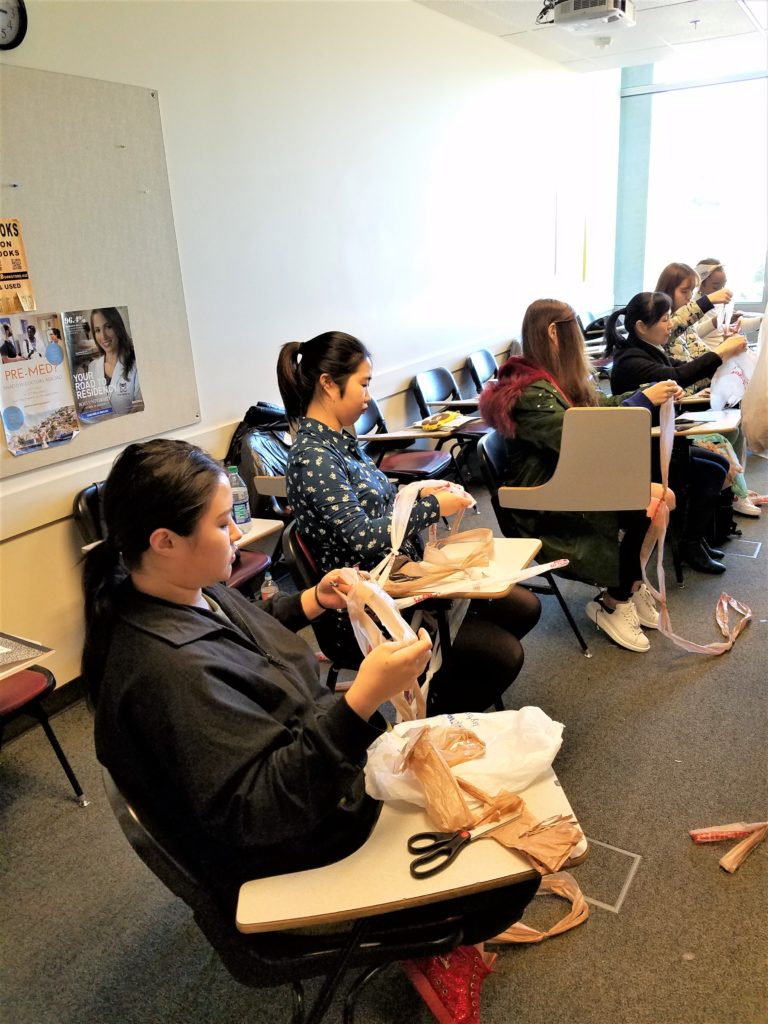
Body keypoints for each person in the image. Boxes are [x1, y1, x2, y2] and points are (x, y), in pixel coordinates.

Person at [82, 439, 536, 994]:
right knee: (510, 874)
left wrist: (314, 600)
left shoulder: (181, 592)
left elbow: (246, 632)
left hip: (311, 773)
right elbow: (261, 807)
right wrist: (361, 700)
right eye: (224, 523)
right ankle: (427, 936)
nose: (237, 536)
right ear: (165, 541)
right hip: (296, 833)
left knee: (485, 781)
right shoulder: (167, 673)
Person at [277, 331, 542, 711]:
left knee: (523, 608)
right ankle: (436, 708)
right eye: (363, 384)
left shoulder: (339, 442)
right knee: (503, 654)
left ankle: (454, 685)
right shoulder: (314, 458)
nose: (369, 396)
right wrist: (435, 508)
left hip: (401, 577)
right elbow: (363, 538)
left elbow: (379, 502)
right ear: (328, 385)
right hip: (368, 608)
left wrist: (419, 492)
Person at [479, 299, 678, 654]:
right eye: (574, 332)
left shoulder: (549, 380)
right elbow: (579, 438)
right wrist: (642, 401)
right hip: (541, 503)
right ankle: (616, 601)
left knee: (664, 499)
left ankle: (629, 585)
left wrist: (643, 396)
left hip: (564, 479)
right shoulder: (529, 391)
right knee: (645, 506)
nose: (581, 341)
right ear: (554, 333)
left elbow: (595, 411)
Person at [606, 292, 747, 573]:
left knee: (718, 463)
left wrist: (706, 389)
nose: (671, 325)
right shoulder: (631, 360)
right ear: (641, 327)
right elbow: (678, 377)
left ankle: (693, 539)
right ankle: (689, 544)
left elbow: (680, 372)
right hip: (642, 450)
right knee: (711, 470)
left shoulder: (649, 350)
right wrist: (722, 352)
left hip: (658, 440)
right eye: (665, 319)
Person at [693, 259, 763, 347]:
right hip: (709, 353)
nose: (721, 291)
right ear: (700, 283)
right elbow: (693, 334)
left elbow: (739, 325)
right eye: (715, 287)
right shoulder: (692, 306)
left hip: (728, 348)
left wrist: (761, 321)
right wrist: (718, 320)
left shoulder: (722, 303)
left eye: (723, 285)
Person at [88, 306, 143, 415]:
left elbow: (139, 409)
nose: (103, 336)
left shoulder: (137, 363)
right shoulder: (92, 367)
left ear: (118, 327)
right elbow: (93, 407)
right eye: (97, 330)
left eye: (108, 327)